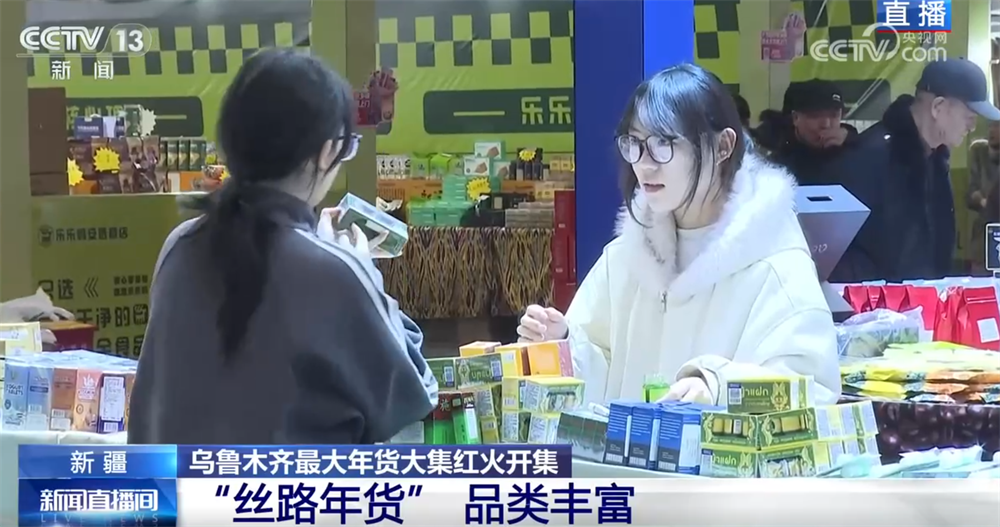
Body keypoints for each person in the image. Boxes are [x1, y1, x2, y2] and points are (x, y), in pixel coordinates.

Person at [128, 49, 437, 445]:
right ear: (327, 151)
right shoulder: (334, 271)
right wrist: (361, 266)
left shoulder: (180, 246)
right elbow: (412, 392)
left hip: (177, 483)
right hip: (296, 485)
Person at [516, 64, 840, 406]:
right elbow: (602, 361)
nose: (644, 164)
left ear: (723, 146)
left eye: (663, 143)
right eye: (634, 143)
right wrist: (562, 345)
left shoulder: (773, 260)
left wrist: (719, 387)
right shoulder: (627, 255)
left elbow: (811, 386)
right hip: (627, 444)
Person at [830, 59, 1000, 283]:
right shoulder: (871, 157)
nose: (972, 127)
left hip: (925, 298)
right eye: (969, 117)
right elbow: (843, 251)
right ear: (938, 107)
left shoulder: (935, 158)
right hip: (881, 301)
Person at [771, 79, 858, 186]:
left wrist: (852, 142)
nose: (826, 124)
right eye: (815, 116)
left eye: (834, 115)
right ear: (795, 118)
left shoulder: (856, 151)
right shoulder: (776, 165)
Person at [968, 121, 1000, 273]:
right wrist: (983, 201)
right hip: (984, 235)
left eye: (998, 125)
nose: (992, 130)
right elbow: (971, 192)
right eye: (990, 125)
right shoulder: (979, 151)